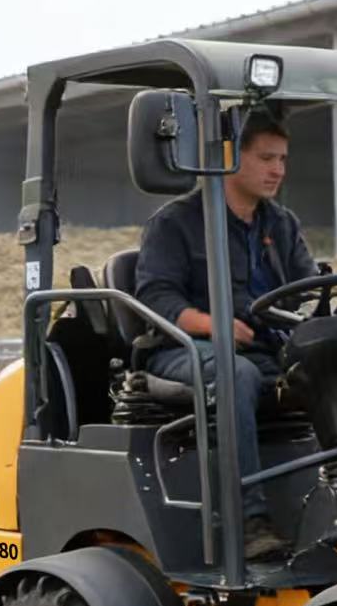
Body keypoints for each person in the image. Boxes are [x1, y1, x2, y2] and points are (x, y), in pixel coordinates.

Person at [135, 113, 318, 559]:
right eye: (266, 158)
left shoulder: (281, 224)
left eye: (283, 159)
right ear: (229, 156)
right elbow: (156, 298)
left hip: (267, 347)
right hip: (183, 350)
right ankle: (246, 520)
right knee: (236, 375)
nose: (278, 170)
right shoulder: (176, 223)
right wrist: (212, 324)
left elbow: (308, 287)